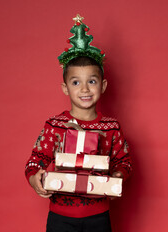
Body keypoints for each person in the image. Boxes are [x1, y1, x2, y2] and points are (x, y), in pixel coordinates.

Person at [25, 14, 132, 232]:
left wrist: (119, 174)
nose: (84, 89)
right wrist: (34, 179)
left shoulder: (111, 128)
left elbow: (124, 161)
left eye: (91, 81)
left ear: (102, 86)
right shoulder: (55, 125)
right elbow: (35, 161)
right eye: (76, 82)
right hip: (60, 218)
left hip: (98, 216)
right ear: (65, 88)